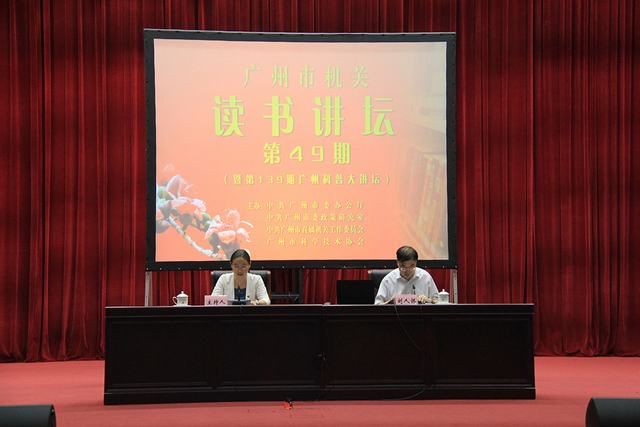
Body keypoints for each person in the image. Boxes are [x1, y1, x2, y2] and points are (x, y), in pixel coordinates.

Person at [374, 246, 438, 305]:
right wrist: (390, 302)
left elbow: (438, 302)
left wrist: (428, 300)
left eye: (412, 266)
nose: (408, 271)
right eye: (403, 267)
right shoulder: (388, 280)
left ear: (416, 262)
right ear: (397, 263)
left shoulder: (425, 277)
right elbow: (377, 305)